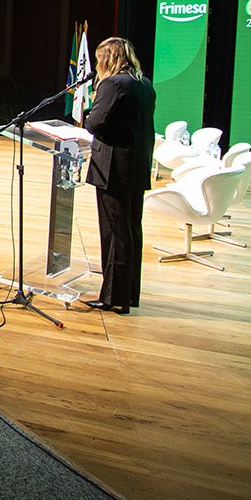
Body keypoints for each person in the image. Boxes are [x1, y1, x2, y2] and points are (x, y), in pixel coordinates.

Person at [83, 37, 156, 316]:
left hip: (113, 168)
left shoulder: (113, 84)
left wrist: (93, 104)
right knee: (131, 228)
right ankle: (128, 294)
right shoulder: (143, 84)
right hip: (136, 166)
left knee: (115, 232)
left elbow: (95, 122)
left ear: (109, 59)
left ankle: (113, 298)